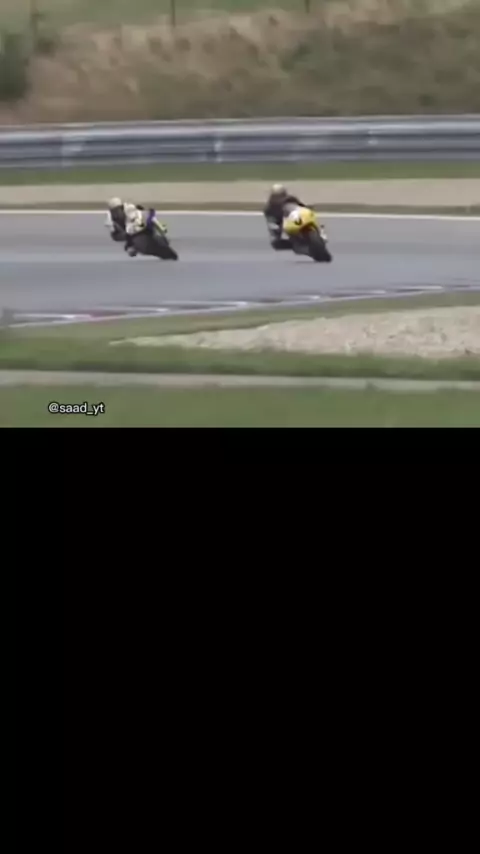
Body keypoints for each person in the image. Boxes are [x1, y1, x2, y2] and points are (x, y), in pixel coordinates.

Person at [263, 183, 311, 250]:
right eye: (276, 196)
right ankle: (297, 246)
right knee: (275, 243)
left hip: (297, 216)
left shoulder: (291, 199)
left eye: (280, 195)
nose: (278, 198)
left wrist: (306, 209)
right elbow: (272, 223)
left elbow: (301, 206)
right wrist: (277, 230)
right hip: (286, 224)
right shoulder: (269, 209)